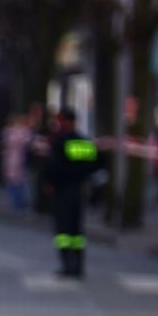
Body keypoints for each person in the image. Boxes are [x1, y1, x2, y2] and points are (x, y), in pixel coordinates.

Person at [45, 108, 97, 279]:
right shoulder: (85, 142)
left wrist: (50, 183)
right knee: (77, 230)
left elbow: (53, 166)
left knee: (63, 231)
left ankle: (67, 265)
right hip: (79, 190)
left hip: (63, 191)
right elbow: (93, 165)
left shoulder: (59, 142)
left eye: (60, 120)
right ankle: (79, 265)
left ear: (66, 121)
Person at [2, 114, 32, 213]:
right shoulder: (10, 132)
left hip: (19, 160)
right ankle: (17, 202)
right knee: (14, 181)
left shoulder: (22, 132)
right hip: (13, 160)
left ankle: (19, 202)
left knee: (19, 181)